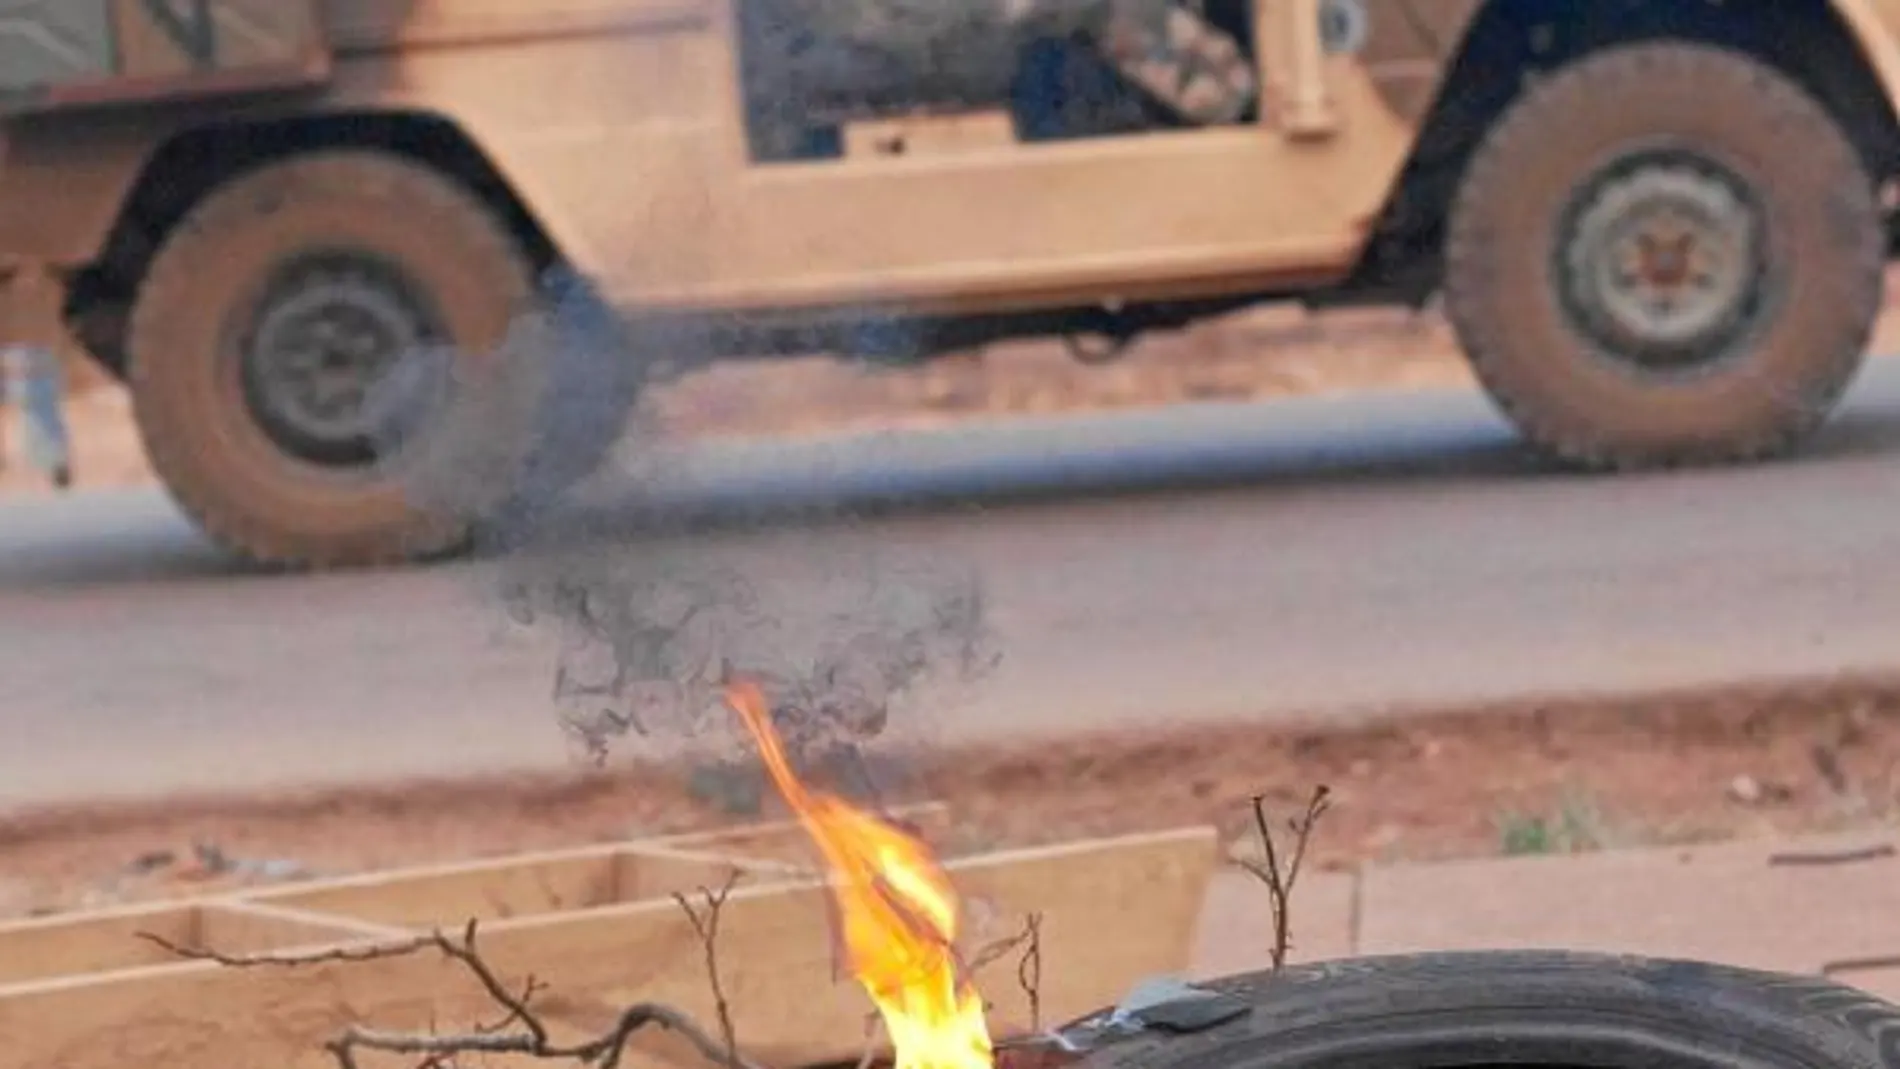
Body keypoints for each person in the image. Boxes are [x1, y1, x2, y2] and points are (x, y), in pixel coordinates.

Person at [0, 342, 74, 490]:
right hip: (39, 421)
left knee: (43, 446)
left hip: (40, 420)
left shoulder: (35, 381)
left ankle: (55, 476)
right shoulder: (38, 379)